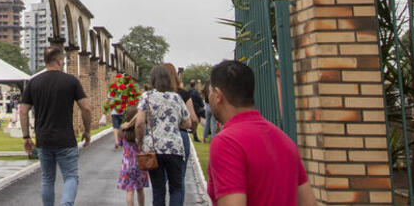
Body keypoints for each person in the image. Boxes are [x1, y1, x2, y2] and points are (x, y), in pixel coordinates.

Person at [204, 59, 317, 206]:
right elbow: (309, 202)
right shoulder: (284, 140)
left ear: (218, 95)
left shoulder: (227, 142)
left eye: (210, 92)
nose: (208, 97)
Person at [20, 45, 92, 206]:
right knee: (70, 176)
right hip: (66, 139)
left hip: (43, 139)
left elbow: (23, 111)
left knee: (47, 178)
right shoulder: (71, 81)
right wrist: (87, 131)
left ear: (45, 61)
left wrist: (26, 137)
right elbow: (86, 108)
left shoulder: (33, 82)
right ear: (59, 61)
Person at [123, 64, 189, 206]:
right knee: (176, 189)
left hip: (154, 149)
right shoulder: (177, 98)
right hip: (175, 148)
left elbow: (140, 123)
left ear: (152, 80)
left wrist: (140, 140)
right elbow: (188, 123)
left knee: (158, 190)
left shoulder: (146, 97)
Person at [116, 106, 150, 206]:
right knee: (140, 190)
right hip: (140, 164)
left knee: (130, 190)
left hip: (127, 165)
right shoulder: (141, 132)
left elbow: (119, 143)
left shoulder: (123, 131)